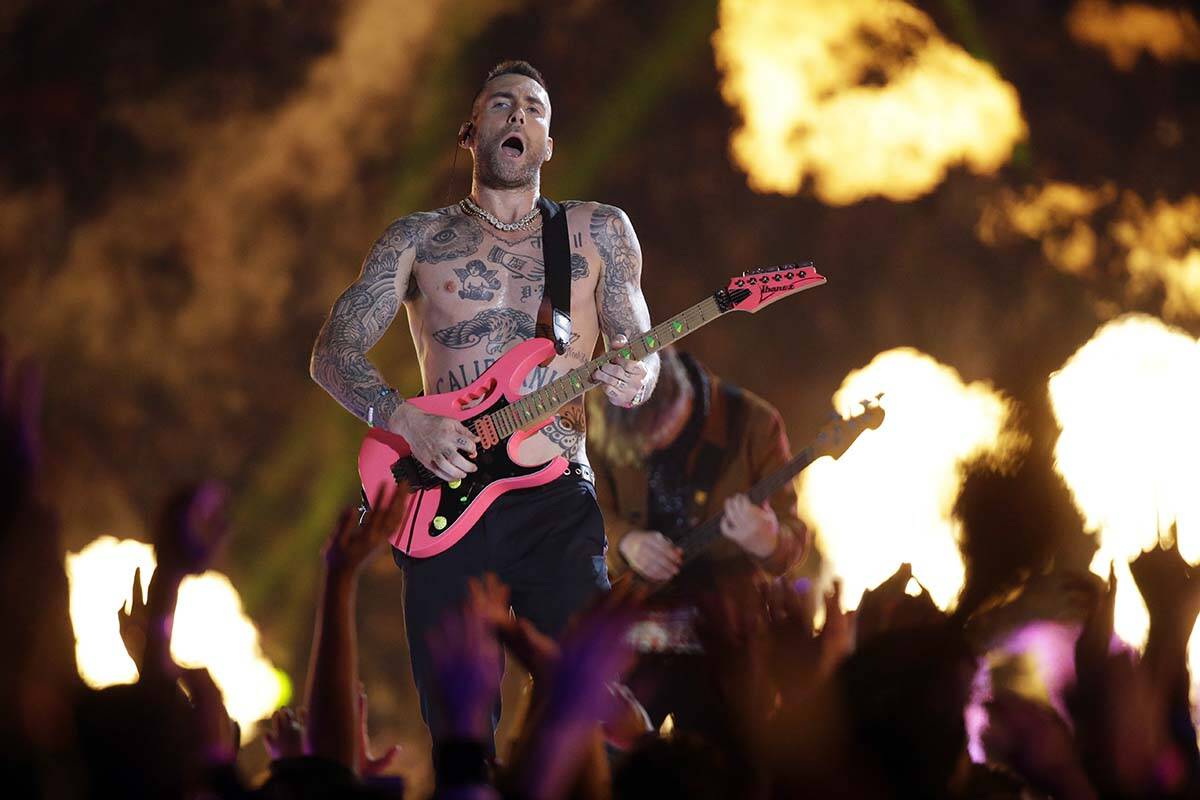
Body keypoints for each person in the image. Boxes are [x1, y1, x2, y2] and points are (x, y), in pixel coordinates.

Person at [309, 60, 660, 750]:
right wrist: (405, 418)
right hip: (444, 493)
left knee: (595, 702)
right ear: (471, 132)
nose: (518, 115)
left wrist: (636, 376)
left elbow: (636, 348)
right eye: (501, 104)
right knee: (460, 729)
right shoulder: (413, 240)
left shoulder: (599, 232)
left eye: (535, 108)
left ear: (548, 144)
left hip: (554, 498)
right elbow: (331, 354)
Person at [588, 347, 808, 738]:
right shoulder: (603, 411)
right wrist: (626, 543)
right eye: (637, 447)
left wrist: (768, 541)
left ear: (682, 402)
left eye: (657, 437)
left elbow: (792, 542)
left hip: (726, 639)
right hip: (634, 635)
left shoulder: (755, 424)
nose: (650, 450)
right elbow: (583, 508)